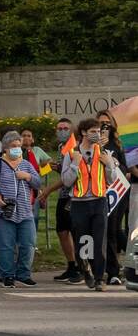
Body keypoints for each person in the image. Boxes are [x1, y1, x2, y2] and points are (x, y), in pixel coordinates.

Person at [61, 117, 121, 291]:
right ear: (83, 133)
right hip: (79, 203)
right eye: (93, 131)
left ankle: (99, 278)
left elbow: (112, 179)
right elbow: (65, 181)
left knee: (99, 240)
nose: (97, 134)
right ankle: (85, 270)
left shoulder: (103, 152)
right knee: (83, 240)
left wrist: (109, 164)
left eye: (98, 131)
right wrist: (75, 164)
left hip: (99, 201)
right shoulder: (71, 153)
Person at [0, 130, 42, 288]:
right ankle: (7, 275)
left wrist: (28, 177)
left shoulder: (26, 165)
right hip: (3, 211)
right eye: (14, 146)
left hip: (25, 211)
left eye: (19, 146)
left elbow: (38, 182)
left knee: (28, 243)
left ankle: (23, 274)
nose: (17, 149)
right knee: (5, 246)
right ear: (6, 147)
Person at [40, 117, 80, 282]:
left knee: (75, 230)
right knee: (62, 231)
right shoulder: (61, 147)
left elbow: (71, 176)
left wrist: (48, 190)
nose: (62, 131)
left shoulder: (75, 148)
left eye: (65, 128)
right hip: (64, 194)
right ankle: (71, 266)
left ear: (72, 131)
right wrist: (56, 168)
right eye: (59, 128)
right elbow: (64, 174)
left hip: (75, 195)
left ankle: (81, 266)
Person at [97, 110, 129, 286]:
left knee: (114, 229)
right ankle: (108, 270)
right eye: (100, 123)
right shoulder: (93, 144)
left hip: (116, 191)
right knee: (105, 231)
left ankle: (115, 271)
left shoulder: (117, 144)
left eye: (106, 123)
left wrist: (113, 162)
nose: (103, 127)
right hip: (98, 191)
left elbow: (125, 167)